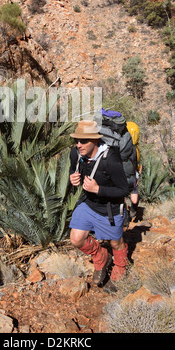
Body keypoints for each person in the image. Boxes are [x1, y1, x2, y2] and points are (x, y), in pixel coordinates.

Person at [69, 120, 129, 292]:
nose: (78, 145)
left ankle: (120, 267)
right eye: (77, 141)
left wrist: (98, 189)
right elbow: (74, 173)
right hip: (88, 204)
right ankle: (101, 256)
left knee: (116, 243)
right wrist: (72, 180)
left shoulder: (111, 160)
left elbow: (123, 189)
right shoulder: (76, 154)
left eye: (83, 141)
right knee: (76, 239)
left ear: (95, 141)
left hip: (110, 209)